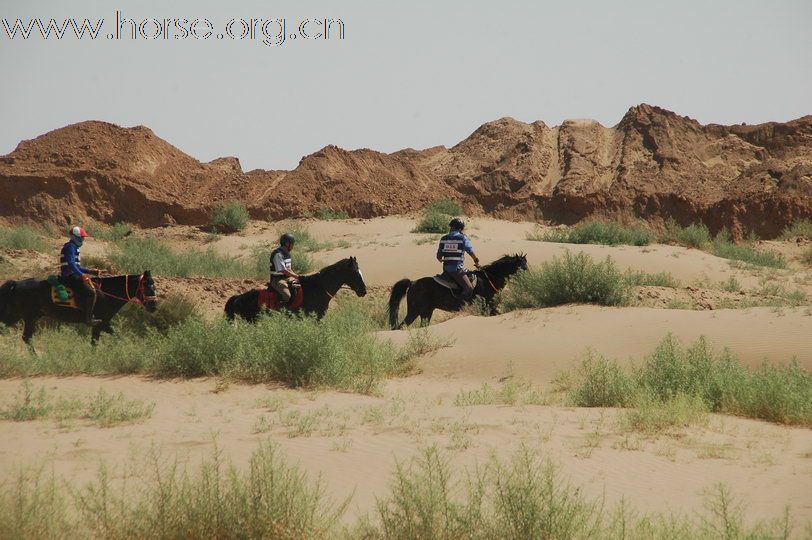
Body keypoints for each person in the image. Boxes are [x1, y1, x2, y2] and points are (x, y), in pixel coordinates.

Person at [59, 226, 102, 325]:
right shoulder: (70, 247)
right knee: (91, 293)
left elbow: (77, 266)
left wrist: (90, 271)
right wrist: (82, 274)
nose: (83, 239)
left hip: (72, 275)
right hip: (69, 277)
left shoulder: (73, 247)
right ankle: (88, 319)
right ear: (75, 237)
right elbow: (71, 264)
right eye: (81, 237)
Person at [436, 218, 480, 301]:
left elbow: (438, 256)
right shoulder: (463, 238)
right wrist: (476, 261)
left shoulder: (444, 238)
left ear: (451, 227)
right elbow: (470, 251)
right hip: (457, 270)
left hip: (446, 270)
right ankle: (460, 305)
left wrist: (441, 259)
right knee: (469, 288)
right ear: (460, 228)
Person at [269, 233, 300, 306]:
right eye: (292, 244)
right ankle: (280, 312)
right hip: (277, 280)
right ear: (287, 244)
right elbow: (283, 270)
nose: (293, 246)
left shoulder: (287, 253)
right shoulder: (278, 254)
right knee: (287, 296)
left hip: (287, 278)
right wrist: (296, 276)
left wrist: (298, 277)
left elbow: (289, 269)